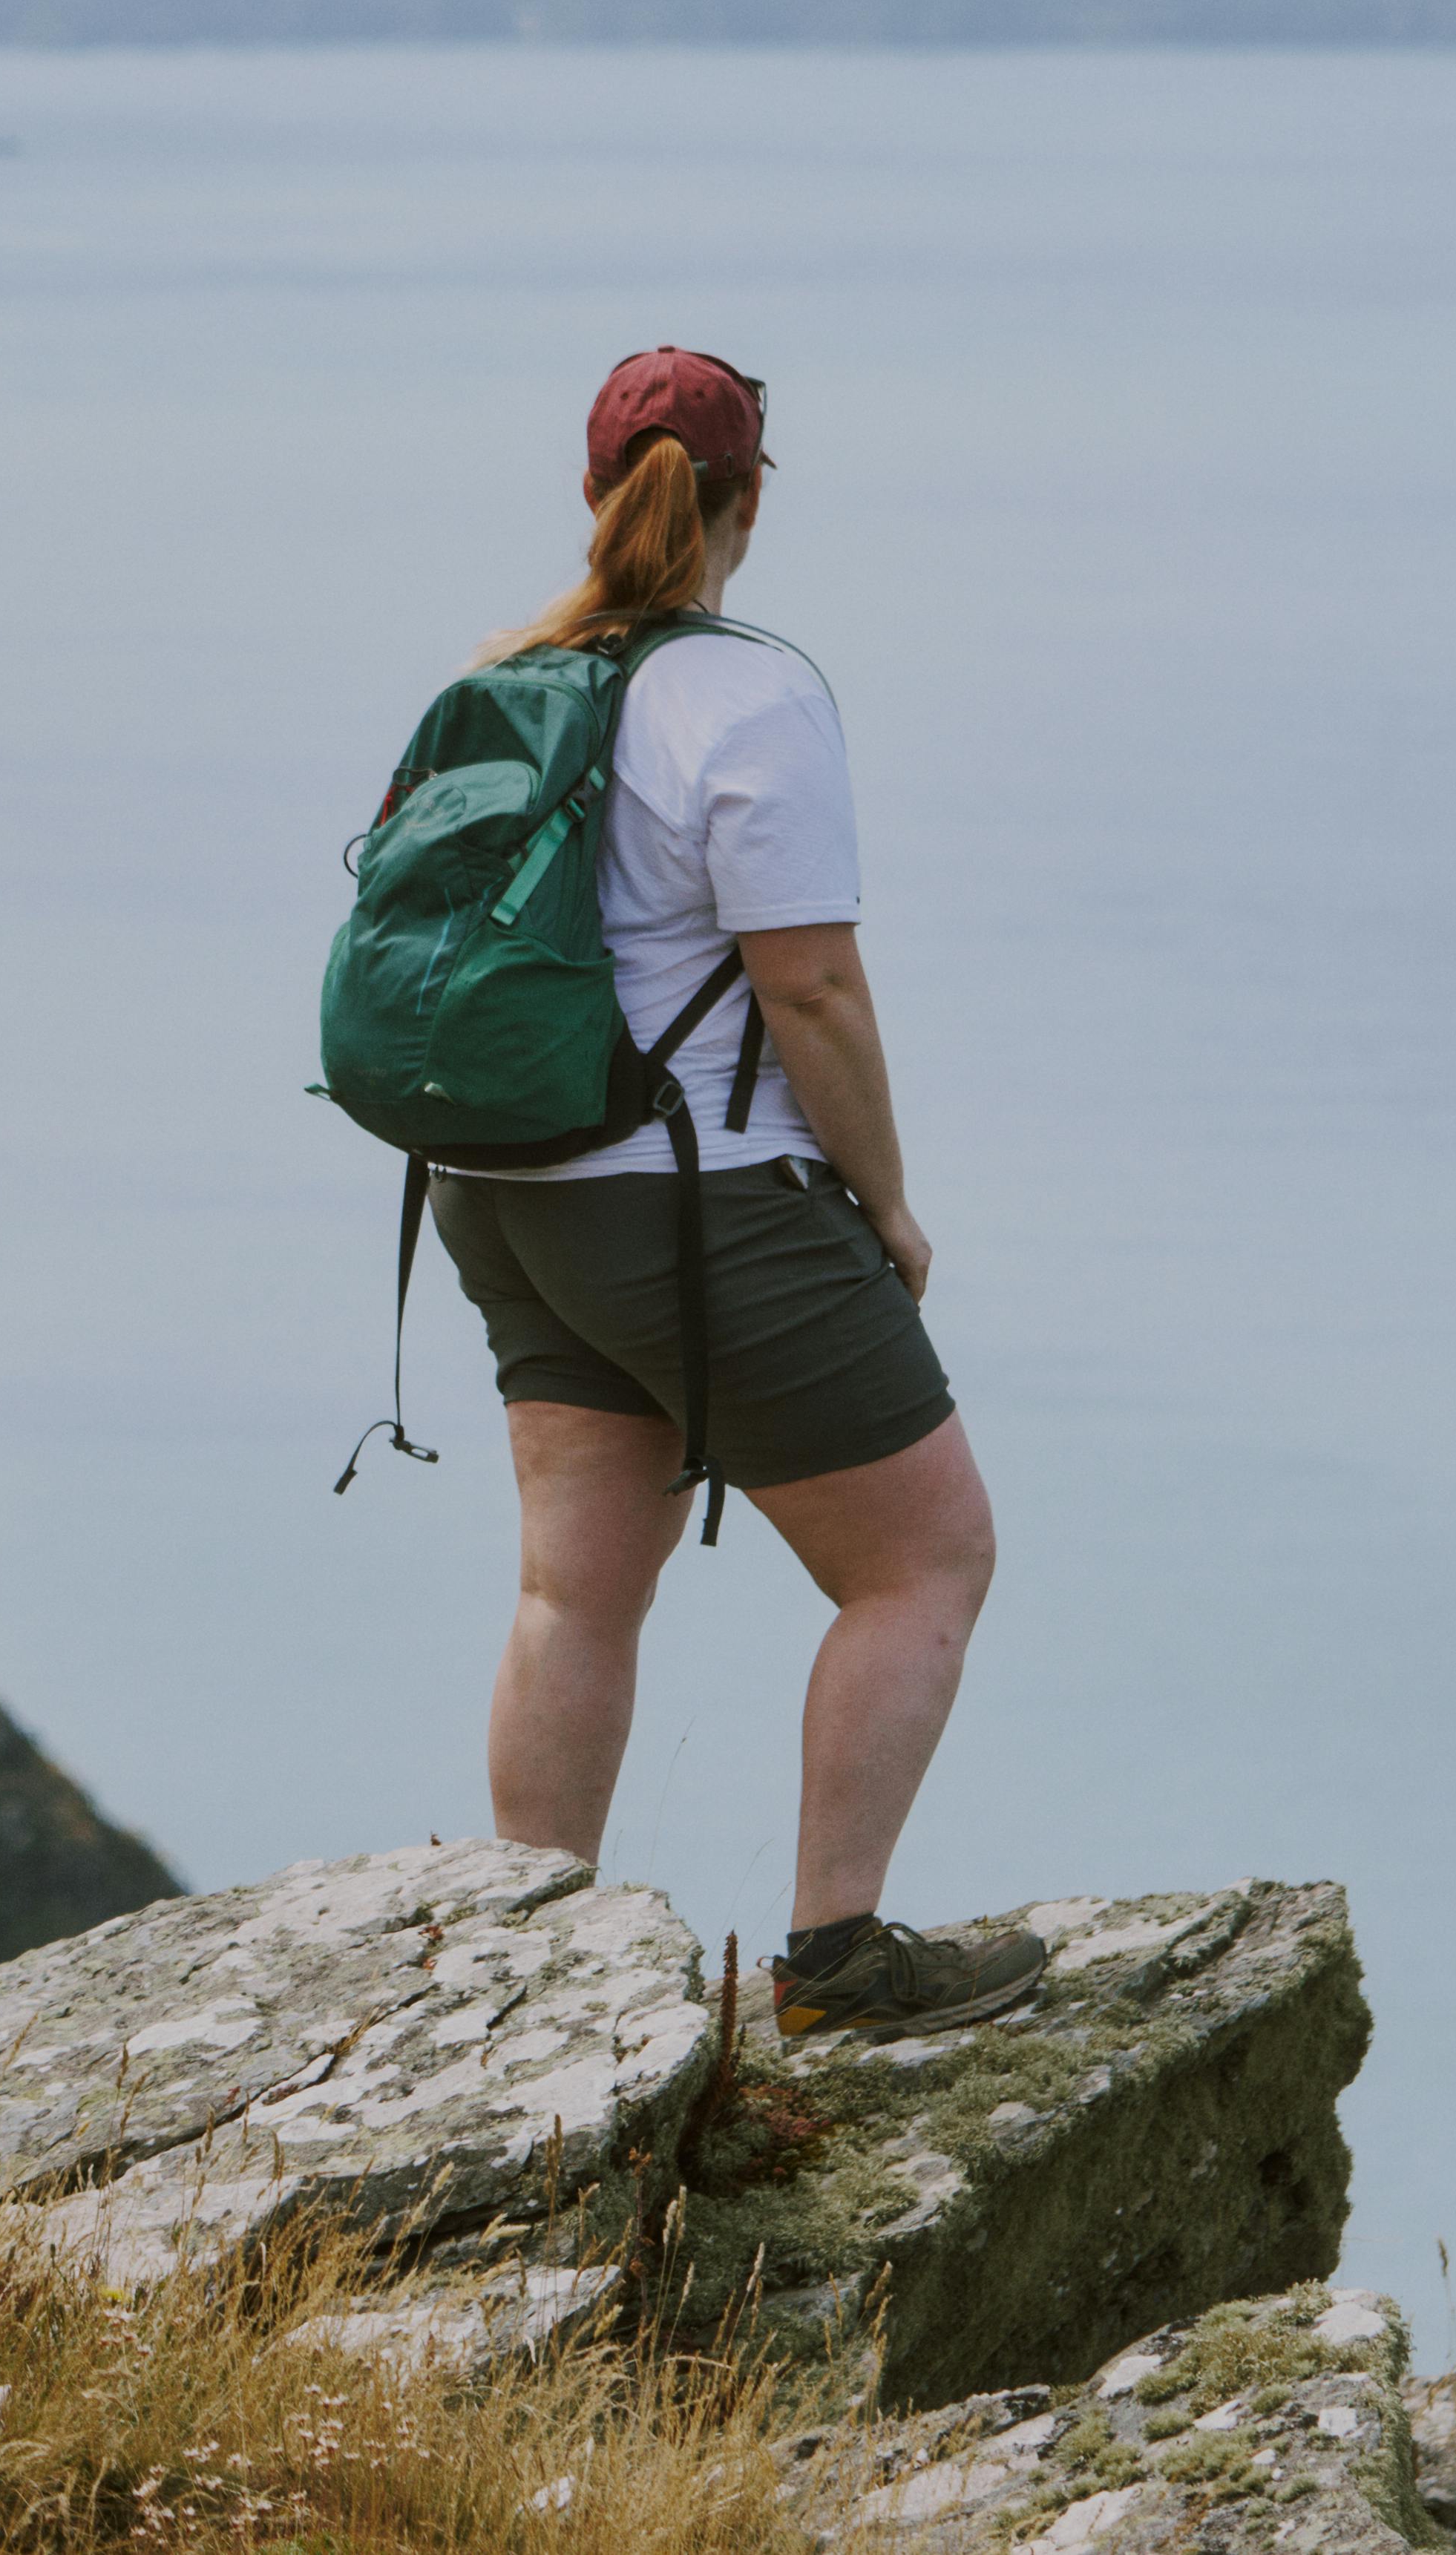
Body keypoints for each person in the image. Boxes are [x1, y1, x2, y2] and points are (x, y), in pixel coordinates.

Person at [425, 347, 1048, 2039]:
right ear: (748, 499)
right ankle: (838, 1957)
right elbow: (812, 993)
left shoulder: (507, 670)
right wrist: (889, 1205)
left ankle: (526, 1970)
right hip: (690, 1203)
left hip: (502, 1191)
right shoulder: (749, 696)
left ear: (590, 490)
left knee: (574, 1586)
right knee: (926, 1558)